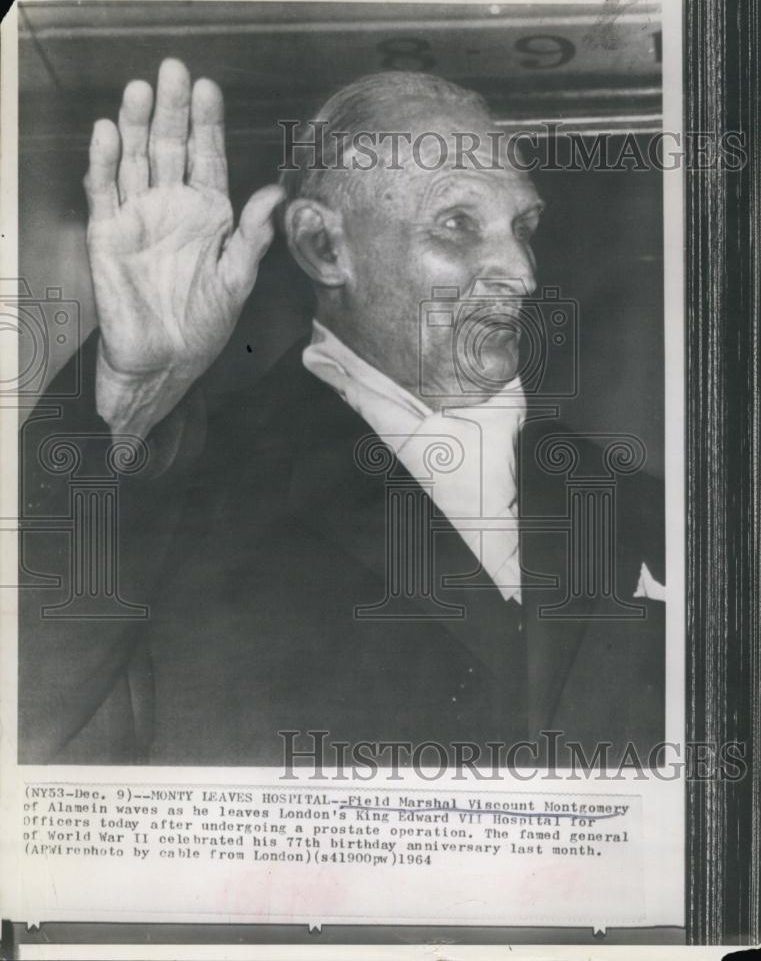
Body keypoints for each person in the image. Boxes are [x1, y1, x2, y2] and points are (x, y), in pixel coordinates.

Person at [19, 59, 665, 766]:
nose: (522, 272)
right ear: (324, 247)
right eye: (458, 223)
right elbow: (20, 728)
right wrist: (126, 404)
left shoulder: (633, 496)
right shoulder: (189, 491)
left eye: (524, 225)